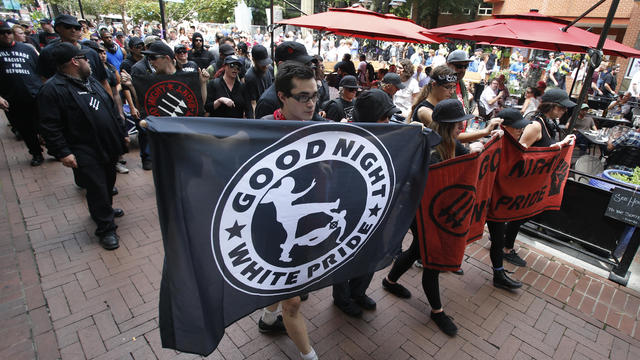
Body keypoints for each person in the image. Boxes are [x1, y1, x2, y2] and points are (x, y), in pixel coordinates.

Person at [382, 99, 486, 337]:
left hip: (433, 212)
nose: (463, 127)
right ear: (450, 125)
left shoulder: (449, 142)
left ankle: (389, 281)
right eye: (460, 123)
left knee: (419, 251)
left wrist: (478, 150)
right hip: (420, 213)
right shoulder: (430, 149)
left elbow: (466, 155)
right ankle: (437, 311)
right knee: (432, 258)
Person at [38, 42, 128, 250]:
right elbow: (49, 125)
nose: (89, 62)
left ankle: (104, 209)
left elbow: (110, 107)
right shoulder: (53, 89)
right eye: (85, 59)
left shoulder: (91, 81)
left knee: (107, 182)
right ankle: (106, 229)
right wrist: (63, 152)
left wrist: (121, 132)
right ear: (74, 62)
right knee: (96, 186)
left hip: (107, 144)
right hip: (84, 148)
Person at [257, 61, 318, 360]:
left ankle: (268, 319)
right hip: (272, 228)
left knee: (286, 288)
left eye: (315, 95)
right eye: (303, 97)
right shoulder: (264, 127)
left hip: (303, 222)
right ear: (282, 96)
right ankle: (309, 356)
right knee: (292, 301)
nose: (312, 103)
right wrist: (170, 133)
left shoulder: (322, 127)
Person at [330, 88, 400, 317]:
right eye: (383, 116)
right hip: (348, 208)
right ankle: (341, 297)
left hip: (376, 208)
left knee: (371, 251)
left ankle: (358, 291)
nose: (388, 121)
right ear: (370, 116)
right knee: (343, 253)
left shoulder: (387, 134)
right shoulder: (343, 136)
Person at [503, 89, 576, 266]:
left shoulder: (550, 124)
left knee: (532, 212)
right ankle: (506, 248)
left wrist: (560, 145)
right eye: (562, 108)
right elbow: (520, 150)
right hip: (526, 180)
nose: (564, 111)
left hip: (538, 181)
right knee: (521, 214)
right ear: (551, 106)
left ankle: (502, 235)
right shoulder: (536, 126)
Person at [485, 109, 526, 290]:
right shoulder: (494, 142)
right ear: (504, 126)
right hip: (484, 200)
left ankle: (498, 273)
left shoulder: (513, 144)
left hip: (497, 202)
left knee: (498, 240)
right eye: (516, 128)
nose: (520, 131)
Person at [0, 19, 44, 166]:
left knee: (46, 124)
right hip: (14, 99)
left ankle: (55, 150)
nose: (6, 35)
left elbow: (40, 71)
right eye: (2, 33)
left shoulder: (27, 49)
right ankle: (36, 153)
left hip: (36, 94)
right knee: (26, 129)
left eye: (8, 32)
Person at [38, 15, 110, 98]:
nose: (73, 30)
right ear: (58, 29)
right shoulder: (48, 53)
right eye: (68, 27)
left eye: (77, 28)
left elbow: (103, 82)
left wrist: (111, 106)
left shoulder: (91, 53)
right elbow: (44, 80)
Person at [254, 42, 318, 119]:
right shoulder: (267, 103)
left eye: (314, 96)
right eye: (303, 97)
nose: (310, 104)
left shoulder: (309, 95)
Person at [244, 44, 273, 111]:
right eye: (262, 64)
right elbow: (253, 103)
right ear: (254, 60)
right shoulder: (250, 76)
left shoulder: (270, 69)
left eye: (266, 63)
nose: (265, 66)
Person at [446, 50, 473, 114]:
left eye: (466, 66)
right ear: (448, 65)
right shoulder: (442, 86)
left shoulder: (461, 83)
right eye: (459, 66)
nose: (463, 70)